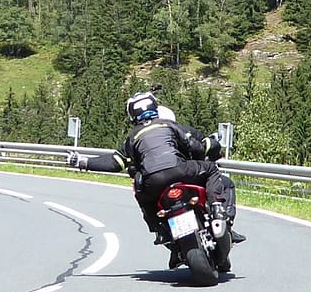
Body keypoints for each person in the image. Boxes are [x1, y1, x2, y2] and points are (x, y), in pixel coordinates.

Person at [70, 91, 242, 261]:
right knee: (211, 169)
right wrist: (202, 152)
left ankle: (159, 230)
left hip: (154, 181)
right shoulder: (168, 125)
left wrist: (83, 162)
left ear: (132, 114)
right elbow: (193, 145)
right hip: (180, 170)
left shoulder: (132, 137)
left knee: (140, 191)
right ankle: (217, 207)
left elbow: (115, 163)